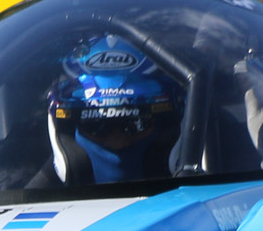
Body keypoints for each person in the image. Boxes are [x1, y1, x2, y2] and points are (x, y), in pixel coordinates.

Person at [47, 34, 185, 184]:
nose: (118, 142)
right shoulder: (21, 198)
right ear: (66, 130)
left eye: (135, 124)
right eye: (96, 125)